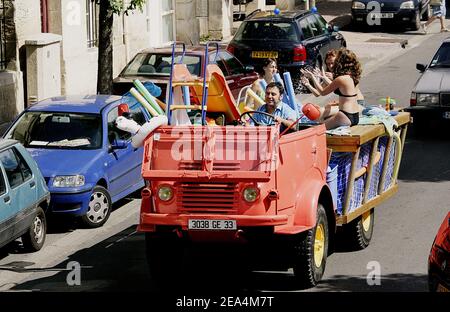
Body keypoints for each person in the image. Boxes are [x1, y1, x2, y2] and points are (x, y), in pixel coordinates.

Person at [300, 48, 362, 130]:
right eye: (328, 63)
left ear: (339, 63)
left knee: (316, 130)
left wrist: (313, 77)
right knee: (322, 120)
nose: (331, 65)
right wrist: (311, 83)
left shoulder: (340, 79)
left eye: (334, 62)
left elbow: (322, 92)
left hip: (345, 115)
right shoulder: (353, 77)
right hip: (355, 115)